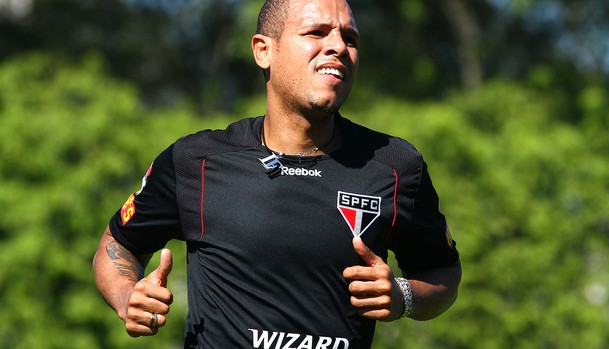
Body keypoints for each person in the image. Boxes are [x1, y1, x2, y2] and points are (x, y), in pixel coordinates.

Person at [92, 0, 462, 347]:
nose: (338, 46)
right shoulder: (195, 161)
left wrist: (403, 297)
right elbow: (120, 242)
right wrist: (128, 298)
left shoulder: (396, 166)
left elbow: (442, 273)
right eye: (316, 33)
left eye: (349, 37)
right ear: (263, 50)